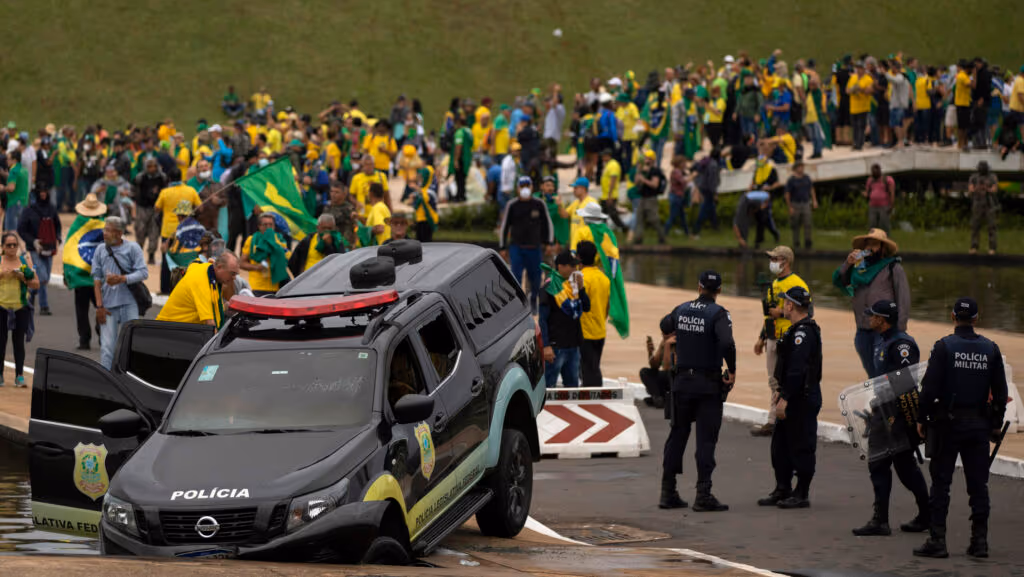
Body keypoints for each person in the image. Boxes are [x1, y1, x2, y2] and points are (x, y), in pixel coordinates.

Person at [914, 298, 1008, 559]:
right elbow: (1001, 392)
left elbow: (929, 387)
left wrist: (921, 418)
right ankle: (979, 543)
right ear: (976, 319)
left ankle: (937, 540)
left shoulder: (944, 347)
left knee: (941, 483)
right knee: (978, 485)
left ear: (953, 316)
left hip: (947, 424)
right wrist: (996, 424)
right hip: (978, 425)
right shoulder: (991, 349)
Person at [851, 299, 930, 537]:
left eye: (873, 316)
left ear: (883, 320)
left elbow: (904, 383)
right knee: (880, 463)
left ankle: (925, 514)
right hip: (882, 410)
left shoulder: (902, 345)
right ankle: (881, 519)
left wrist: (898, 416)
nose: (870, 318)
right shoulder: (881, 340)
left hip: (897, 413)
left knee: (903, 466)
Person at [658, 270, 735, 511]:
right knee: (706, 440)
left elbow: (664, 324)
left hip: (682, 382)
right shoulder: (719, 314)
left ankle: (667, 492)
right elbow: (726, 342)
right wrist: (732, 369)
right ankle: (703, 494)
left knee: (677, 436)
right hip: (707, 385)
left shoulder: (681, 309)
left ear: (699, 286)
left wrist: (676, 338)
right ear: (719, 291)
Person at [757, 286, 821, 509]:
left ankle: (801, 493)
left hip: (801, 397)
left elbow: (798, 371)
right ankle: (782, 488)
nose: (782, 305)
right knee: (780, 446)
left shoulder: (804, 333)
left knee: (802, 445)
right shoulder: (794, 330)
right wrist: (778, 390)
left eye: (784, 302)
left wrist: (784, 397)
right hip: (789, 393)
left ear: (790, 305)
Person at [832, 228, 911, 377]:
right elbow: (840, 280)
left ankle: (891, 400)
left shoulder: (893, 267)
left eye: (874, 245)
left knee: (888, 373)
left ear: (882, 248)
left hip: (885, 331)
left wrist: (900, 330)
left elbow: (904, 299)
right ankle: (879, 399)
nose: (869, 248)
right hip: (862, 330)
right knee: (873, 374)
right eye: (867, 244)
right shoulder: (857, 268)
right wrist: (847, 263)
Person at [751, 246, 809, 437]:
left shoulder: (797, 283)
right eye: (772, 258)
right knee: (773, 380)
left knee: (788, 379)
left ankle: (782, 419)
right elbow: (769, 313)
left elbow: (808, 312)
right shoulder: (774, 284)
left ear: (786, 260)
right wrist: (762, 338)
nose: (773, 261)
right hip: (773, 337)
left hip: (790, 337)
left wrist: (782, 312)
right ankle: (774, 419)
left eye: (776, 258)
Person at [91, 217, 148, 370]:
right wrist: (99, 307)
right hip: (108, 307)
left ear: (119, 233)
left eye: (108, 230)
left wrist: (122, 279)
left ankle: (128, 379)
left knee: (130, 344)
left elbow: (143, 272)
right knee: (107, 348)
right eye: (105, 229)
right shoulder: (100, 250)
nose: (104, 233)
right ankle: (106, 381)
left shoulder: (133, 248)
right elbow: (96, 280)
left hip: (130, 304)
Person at [498, 176, 553, 314]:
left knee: (535, 277)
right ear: (518, 188)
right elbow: (504, 227)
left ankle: (533, 299)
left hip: (534, 248)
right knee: (515, 276)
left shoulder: (539, 204)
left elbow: (547, 224)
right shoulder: (512, 205)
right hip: (516, 247)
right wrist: (502, 246)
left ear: (532, 187)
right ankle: (518, 304)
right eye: (522, 186)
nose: (525, 189)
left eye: (527, 186)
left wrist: (548, 243)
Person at [539, 250, 589, 389]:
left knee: (572, 387)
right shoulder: (549, 287)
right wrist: (546, 346)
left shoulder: (573, 287)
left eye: (576, 266)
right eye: (571, 266)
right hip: (556, 347)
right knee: (548, 387)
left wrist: (581, 289)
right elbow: (543, 319)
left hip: (573, 345)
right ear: (560, 266)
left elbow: (586, 307)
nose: (575, 269)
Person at [156, 252, 240, 328]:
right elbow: (210, 325)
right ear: (219, 267)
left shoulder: (208, 269)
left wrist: (225, 307)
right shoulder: (202, 281)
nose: (234, 278)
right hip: (167, 330)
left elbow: (193, 264)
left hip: (180, 330)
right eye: (232, 273)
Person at [0, 232, 38, 387]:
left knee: (18, 343)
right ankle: (0, 375)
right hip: (1, 306)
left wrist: (23, 277)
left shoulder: (23, 261)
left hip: (20, 307)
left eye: (14, 245)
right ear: (2, 247)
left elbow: (36, 284)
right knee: (1, 342)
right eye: (8, 245)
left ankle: (19, 375)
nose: (12, 248)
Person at [17, 188, 60, 316]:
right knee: (43, 277)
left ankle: (31, 293)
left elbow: (57, 225)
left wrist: (58, 238)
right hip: (35, 249)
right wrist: (33, 241)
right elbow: (21, 229)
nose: (42, 195)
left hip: (49, 247)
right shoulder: (28, 211)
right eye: (40, 193)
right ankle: (44, 306)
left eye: (44, 193)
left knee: (43, 276)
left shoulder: (51, 209)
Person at [576, 241, 610, 388]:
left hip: (585, 332)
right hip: (600, 331)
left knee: (589, 371)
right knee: (593, 367)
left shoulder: (580, 279)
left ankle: (594, 403)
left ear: (578, 258)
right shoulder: (604, 278)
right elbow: (607, 306)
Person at [241, 213, 290, 296]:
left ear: (274, 226)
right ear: (259, 226)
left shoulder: (280, 240)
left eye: (271, 225)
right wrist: (257, 267)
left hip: (276, 286)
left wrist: (275, 247)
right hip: (256, 286)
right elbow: (241, 263)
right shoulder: (252, 240)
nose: (268, 227)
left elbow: (287, 260)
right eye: (265, 225)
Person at [133, 158, 169, 265]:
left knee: (154, 232)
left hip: (156, 208)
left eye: (154, 166)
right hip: (142, 207)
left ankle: (151, 256)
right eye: (149, 166)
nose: (152, 169)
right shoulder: (140, 177)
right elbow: (134, 190)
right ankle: (138, 256)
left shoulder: (162, 177)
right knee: (140, 231)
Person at [633, 149, 665, 245]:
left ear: (652, 160)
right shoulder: (643, 170)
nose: (646, 161)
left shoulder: (655, 171)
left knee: (653, 219)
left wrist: (644, 180)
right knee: (639, 218)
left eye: (648, 159)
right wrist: (638, 171)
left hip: (651, 198)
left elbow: (655, 185)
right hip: (642, 197)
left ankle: (661, 237)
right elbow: (636, 182)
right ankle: (638, 239)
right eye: (645, 159)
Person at [783, 161, 818, 249]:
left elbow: (811, 189)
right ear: (795, 168)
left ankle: (808, 242)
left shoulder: (806, 178)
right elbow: (787, 194)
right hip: (795, 204)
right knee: (795, 224)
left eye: (802, 167)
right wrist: (790, 206)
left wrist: (814, 200)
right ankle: (796, 242)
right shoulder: (791, 180)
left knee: (807, 223)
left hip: (805, 202)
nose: (801, 169)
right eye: (799, 167)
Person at [967, 161, 998, 255]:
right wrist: (977, 188)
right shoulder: (974, 177)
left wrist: (987, 189)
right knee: (975, 226)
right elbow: (970, 190)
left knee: (991, 226)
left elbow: (995, 189)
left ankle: (992, 247)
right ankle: (974, 246)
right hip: (977, 203)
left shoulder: (992, 177)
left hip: (989, 204)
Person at [562, 177, 598, 249]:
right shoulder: (575, 203)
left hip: (585, 248)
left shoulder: (592, 203)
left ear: (583, 189)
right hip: (574, 246)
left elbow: (595, 227)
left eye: (576, 188)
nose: (573, 190)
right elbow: (564, 215)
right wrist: (559, 204)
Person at [847, 61, 874, 150]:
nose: (858, 70)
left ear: (864, 69)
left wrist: (860, 89)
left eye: (860, 68)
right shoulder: (853, 78)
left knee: (861, 126)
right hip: (853, 107)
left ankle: (860, 143)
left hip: (863, 107)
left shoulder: (868, 79)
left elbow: (869, 91)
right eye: (857, 68)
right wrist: (852, 90)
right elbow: (847, 90)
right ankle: (855, 143)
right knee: (854, 126)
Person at [323, 181, 358, 247]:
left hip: (345, 244)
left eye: (336, 192)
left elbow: (354, 217)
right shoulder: (327, 207)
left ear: (343, 194)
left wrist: (354, 215)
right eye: (331, 191)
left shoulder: (348, 208)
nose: (333, 194)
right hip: (331, 244)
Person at [663, 156, 692, 237]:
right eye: (684, 163)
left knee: (682, 216)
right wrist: (692, 176)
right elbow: (683, 182)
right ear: (680, 164)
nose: (685, 164)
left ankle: (687, 233)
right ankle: (664, 232)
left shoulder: (678, 172)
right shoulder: (677, 172)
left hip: (678, 196)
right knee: (672, 216)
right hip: (676, 196)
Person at [598, 149, 626, 231]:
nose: (602, 158)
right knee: (603, 214)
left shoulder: (613, 165)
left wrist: (609, 195)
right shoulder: (608, 164)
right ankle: (603, 230)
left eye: (603, 156)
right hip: (605, 195)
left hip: (610, 195)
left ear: (608, 156)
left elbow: (613, 179)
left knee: (612, 214)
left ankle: (623, 228)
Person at [863, 164, 895, 234]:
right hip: (873, 206)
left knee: (884, 225)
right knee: (872, 224)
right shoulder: (870, 180)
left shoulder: (887, 180)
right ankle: (872, 239)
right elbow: (868, 192)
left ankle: (885, 239)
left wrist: (891, 205)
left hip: (884, 206)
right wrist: (865, 194)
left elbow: (892, 193)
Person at [449, 115, 473, 202]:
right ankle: (463, 195)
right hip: (467, 157)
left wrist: (455, 160)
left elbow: (458, 146)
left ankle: (459, 195)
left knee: (459, 177)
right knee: (463, 177)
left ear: (458, 123)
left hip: (461, 157)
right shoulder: (469, 131)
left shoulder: (460, 132)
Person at [4, 150, 30, 232]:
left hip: (14, 203)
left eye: (8, 159)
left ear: (14, 160)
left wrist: (2, 188)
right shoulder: (24, 170)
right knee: (20, 230)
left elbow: (11, 188)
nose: (6, 161)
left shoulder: (13, 171)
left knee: (11, 231)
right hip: (23, 202)